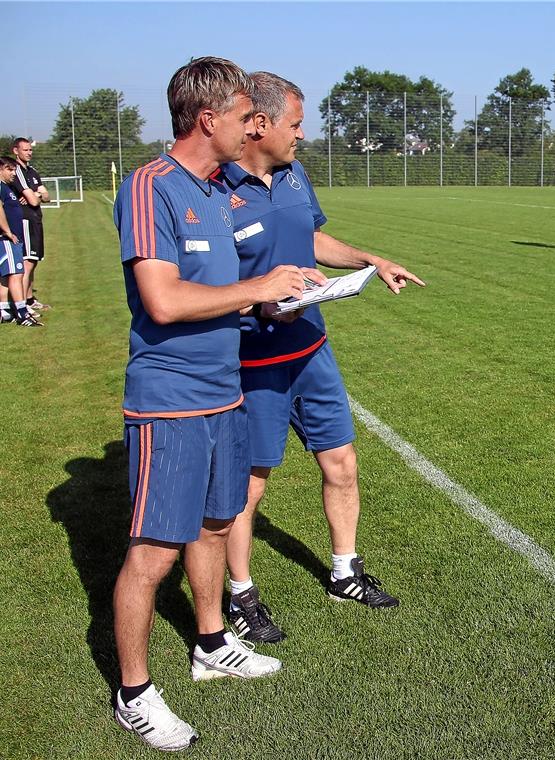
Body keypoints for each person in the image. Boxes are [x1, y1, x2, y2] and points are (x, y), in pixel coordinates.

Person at [111, 57, 309, 752]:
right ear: (208, 119)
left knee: (218, 527)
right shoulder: (150, 188)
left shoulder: (219, 190)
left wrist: (275, 303)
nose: (251, 126)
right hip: (170, 401)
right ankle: (133, 693)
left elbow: (223, 294)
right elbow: (164, 301)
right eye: (242, 116)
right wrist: (255, 292)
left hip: (226, 392)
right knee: (153, 553)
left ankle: (210, 644)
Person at [217, 71, 425, 643]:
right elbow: (205, 284)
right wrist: (262, 300)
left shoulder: (293, 175)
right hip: (253, 359)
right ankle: (240, 594)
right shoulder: (214, 188)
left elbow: (312, 240)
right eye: (296, 123)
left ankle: (344, 571)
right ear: (258, 124)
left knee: (342, 463)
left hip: (311, 349)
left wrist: (369, 260)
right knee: (249, 484)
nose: (302, 135)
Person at [10, 137, 50, 310]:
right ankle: (23, 305)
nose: (29, 153)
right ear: (16, 151)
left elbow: (46, 196)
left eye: (30, 150)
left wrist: (36, 195)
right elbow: (33, 201)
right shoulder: (16, 170)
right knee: (27, 261)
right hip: (25, 220)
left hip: (36, 220)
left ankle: (30, 299)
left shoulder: (32, 171)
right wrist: (35, 196)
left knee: (34, 260)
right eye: (25, 150)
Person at [0, 157, 37, 325]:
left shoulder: (6, 188)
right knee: (16, 274)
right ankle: (22, 314)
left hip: (12, 237)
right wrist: (8, 232)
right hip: (8, 238)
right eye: (10, 169)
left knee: (6, 276)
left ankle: (5, 311)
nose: (14, 173)